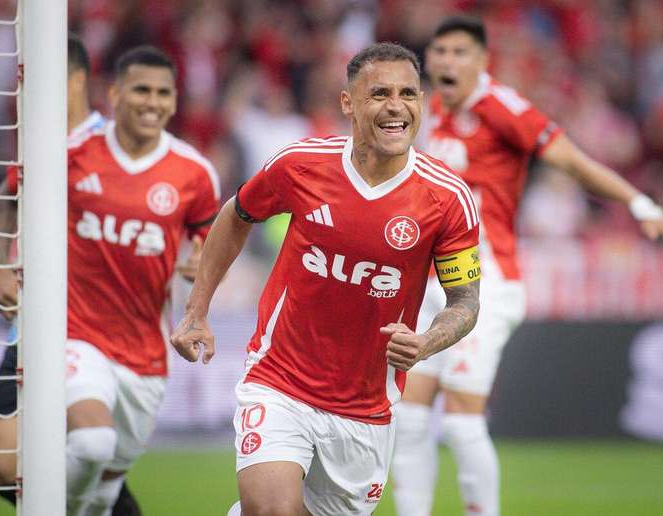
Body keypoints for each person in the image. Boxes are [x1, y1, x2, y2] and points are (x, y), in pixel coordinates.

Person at [391, 16, 663, 516]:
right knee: (412, 417)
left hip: (486, 280)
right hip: (433, 281)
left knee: (462, 422)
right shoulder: (431, 109)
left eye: (460, 52)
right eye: (440, 52)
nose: (446, 61)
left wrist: (641, 205)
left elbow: (572, 161)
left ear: (482, 61)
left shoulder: (505, 109)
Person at [170, 42, 481, 516]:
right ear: (348, 103)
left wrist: (426, 342)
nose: (396, 107)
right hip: (280, 380)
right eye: (379, 94)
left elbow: (465, 301)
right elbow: (236, 215)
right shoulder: (301, 164)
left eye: (407, 94)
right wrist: (197, 310)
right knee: (273, 510)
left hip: (366, 408)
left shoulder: (448, 198)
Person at [0, 43, 221, 515]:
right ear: (114, 94)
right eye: (140, 90)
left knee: (106, 493)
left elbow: (211, 242)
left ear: (175, 100)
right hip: (75, 334)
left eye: (162, 93)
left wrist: (200, 270)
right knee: (92, 443)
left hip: (145, 355)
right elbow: (8, 195)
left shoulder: (194, 173)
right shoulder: (72, 151)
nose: (151, 102)